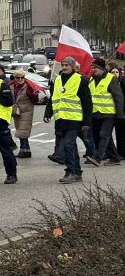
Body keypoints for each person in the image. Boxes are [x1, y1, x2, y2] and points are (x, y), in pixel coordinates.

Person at [43, 56, 92, 184]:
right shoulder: (58, 80)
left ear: (72, 67)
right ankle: (77, 172)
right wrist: (48, 113)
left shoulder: (80, 80)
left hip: (74, 119)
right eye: (63, 65)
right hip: (61, 119)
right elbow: (53, 98)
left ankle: (70, 171)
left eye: (67, 65)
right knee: (72, 146)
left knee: (68, 144)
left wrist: (87, 122)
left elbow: (87, 102)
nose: (64, 67)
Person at [86, 58, 122, 166]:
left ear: (101, 68)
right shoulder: (92, 80)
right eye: (92, 68)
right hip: (96, 113)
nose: (93, 70)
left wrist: (120, 114)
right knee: (105, 137)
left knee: (104, 135)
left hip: (108, 113)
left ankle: (97, 158)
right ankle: (115, 158)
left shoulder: (111, 79)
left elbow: (118, 97)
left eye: (95, 68)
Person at [9, 69, 40, 158]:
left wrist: (34, 95)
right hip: (16, 111)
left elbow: (34, 100)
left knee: (22, 131)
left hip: (26, 110)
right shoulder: (10, 86)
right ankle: (26, 150)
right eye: (18, 77)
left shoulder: (29, 86)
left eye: (22, 77)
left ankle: (23, 150)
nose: (20, 79)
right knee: (20, 129)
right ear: (14, 78)